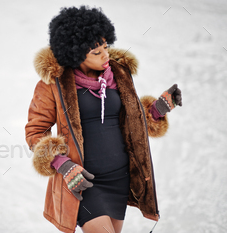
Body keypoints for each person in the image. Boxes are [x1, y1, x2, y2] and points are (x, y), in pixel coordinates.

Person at [25, 6, 182, 233]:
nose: (106, 55)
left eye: (105, 47)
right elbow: (35, 132)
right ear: (76, 54)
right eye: (96, 53)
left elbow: (132, 121)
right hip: (83, 183)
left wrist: (158, 109)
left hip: (119, 178)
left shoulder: (119, 74)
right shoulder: (53, 84)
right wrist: (63, 164)